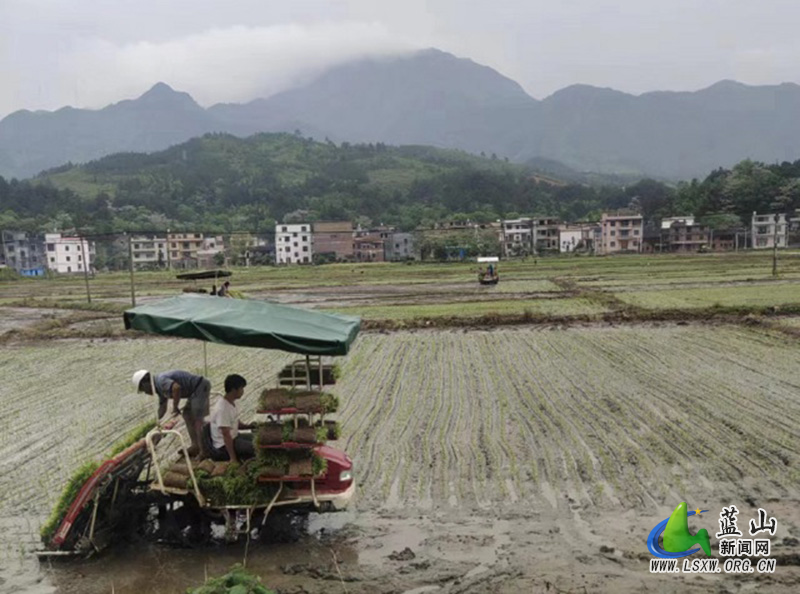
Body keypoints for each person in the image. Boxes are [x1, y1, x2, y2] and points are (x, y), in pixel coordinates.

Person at [132, 369, 210, 458]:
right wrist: (156, 422)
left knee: (197, 420)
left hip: (200, 387)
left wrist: (175, 406)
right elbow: (162, 407)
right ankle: (195, 446)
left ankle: (205, 451)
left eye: (143, 389)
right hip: (194, 391)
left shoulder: (161, 381)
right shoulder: (159, 389)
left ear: (145, 382)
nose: (145, 392)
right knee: (187, 415)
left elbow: (176, 387)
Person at [209, 374, 255, 463]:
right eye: (241, 388)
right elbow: (226, 435)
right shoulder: (222, 409)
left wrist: (249, 426)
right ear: (234, 390)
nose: (243, 391)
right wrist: (233, 458)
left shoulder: (231, 403)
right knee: (256, 448)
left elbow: (234, 422)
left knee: (258, 439)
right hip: (223, 446)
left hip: (235, 437)